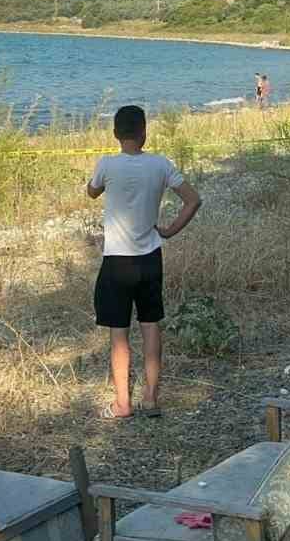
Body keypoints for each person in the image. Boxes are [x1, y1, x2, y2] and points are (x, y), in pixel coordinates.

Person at [86, 105, 203, 419]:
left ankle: (123, 403)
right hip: (150, 257)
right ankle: (151, 398)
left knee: (119, 333)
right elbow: (193, 199)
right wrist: (170, 231)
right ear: (144, 132)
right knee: (151, 327)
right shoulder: (160, 164)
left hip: (116, 261)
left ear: (115, 134)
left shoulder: (107, 164)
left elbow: (91, 192)